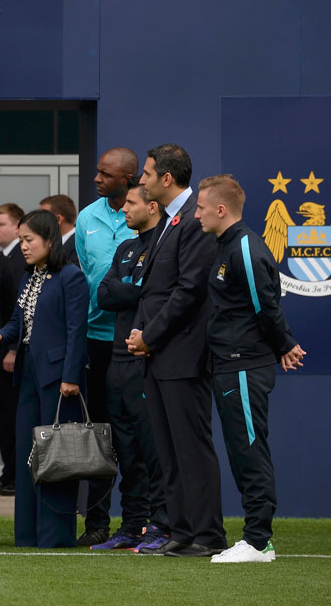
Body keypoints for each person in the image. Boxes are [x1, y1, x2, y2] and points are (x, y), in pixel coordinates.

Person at [195, 174, 305, 563]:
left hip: (243, 368)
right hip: (229, 366)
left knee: (249, 451)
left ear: (221, 210)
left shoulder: (243, 248)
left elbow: (265, 306)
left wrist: (285, 344)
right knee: (243, 451)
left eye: (202, 208)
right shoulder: (226, 245)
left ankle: (258, 541)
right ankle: (258, 539)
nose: (196, 215)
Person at [126, 143, 227, 557]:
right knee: (168, 451)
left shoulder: (192, 221)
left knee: (191, 448)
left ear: (166, 179)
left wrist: (149, 334)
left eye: (146, 174)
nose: (141, 180)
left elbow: (189, 291)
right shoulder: (169, 221)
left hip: (182, 355)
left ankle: (207, 535)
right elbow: (157, 290)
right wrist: (142, 333)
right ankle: (181, 531)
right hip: (159, 355)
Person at [0, 209, 89, 548]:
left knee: (57, 457)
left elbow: (77, 331)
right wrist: (1, 336)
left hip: (59, 379)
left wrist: (71, 377)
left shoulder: (70, 276)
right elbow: (19, 320)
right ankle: (28, 534)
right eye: (23, 239)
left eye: (29, 240)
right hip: (29, 374)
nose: (24, 246)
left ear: (49, 240)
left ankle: (56, 536)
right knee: (28, 452)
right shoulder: (29, 277)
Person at [94, 178, 169, 551]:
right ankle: (132, 525)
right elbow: (104, 295)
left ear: (152, 206)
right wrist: (133, 288)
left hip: (147, 362)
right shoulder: (125, 247)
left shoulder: (165, 246)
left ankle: (161, 525)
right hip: (117, 362)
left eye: (131, 204)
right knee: (125, 451)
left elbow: (152, 293)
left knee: (151, 449)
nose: (123, 210)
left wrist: (132, 288)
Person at [73, 147, 138, 546]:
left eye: (105, 174)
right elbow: (82, 276)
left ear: (128, 180)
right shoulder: (86, 218)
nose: (97, 179)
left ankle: (137, 521)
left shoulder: (148, 215)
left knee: (133, 436)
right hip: (95, 341)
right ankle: (96, 522)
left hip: (134, 342)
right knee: (98, 436)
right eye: (97, 172)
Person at [0, 202, 26, 497]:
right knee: (2, 413)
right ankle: (9, 471)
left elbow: (18, 308)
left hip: (11, 349)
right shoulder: (2, 258)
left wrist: (11, 347)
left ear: (17, 226)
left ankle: (15, 473)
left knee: (11, 414)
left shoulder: (18, 260)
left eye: (1, 224)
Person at [39, 194, 79, 266]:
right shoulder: (48, 243)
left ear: (58, 219)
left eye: (44, 216)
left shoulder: (79, 244)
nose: (39, 220)